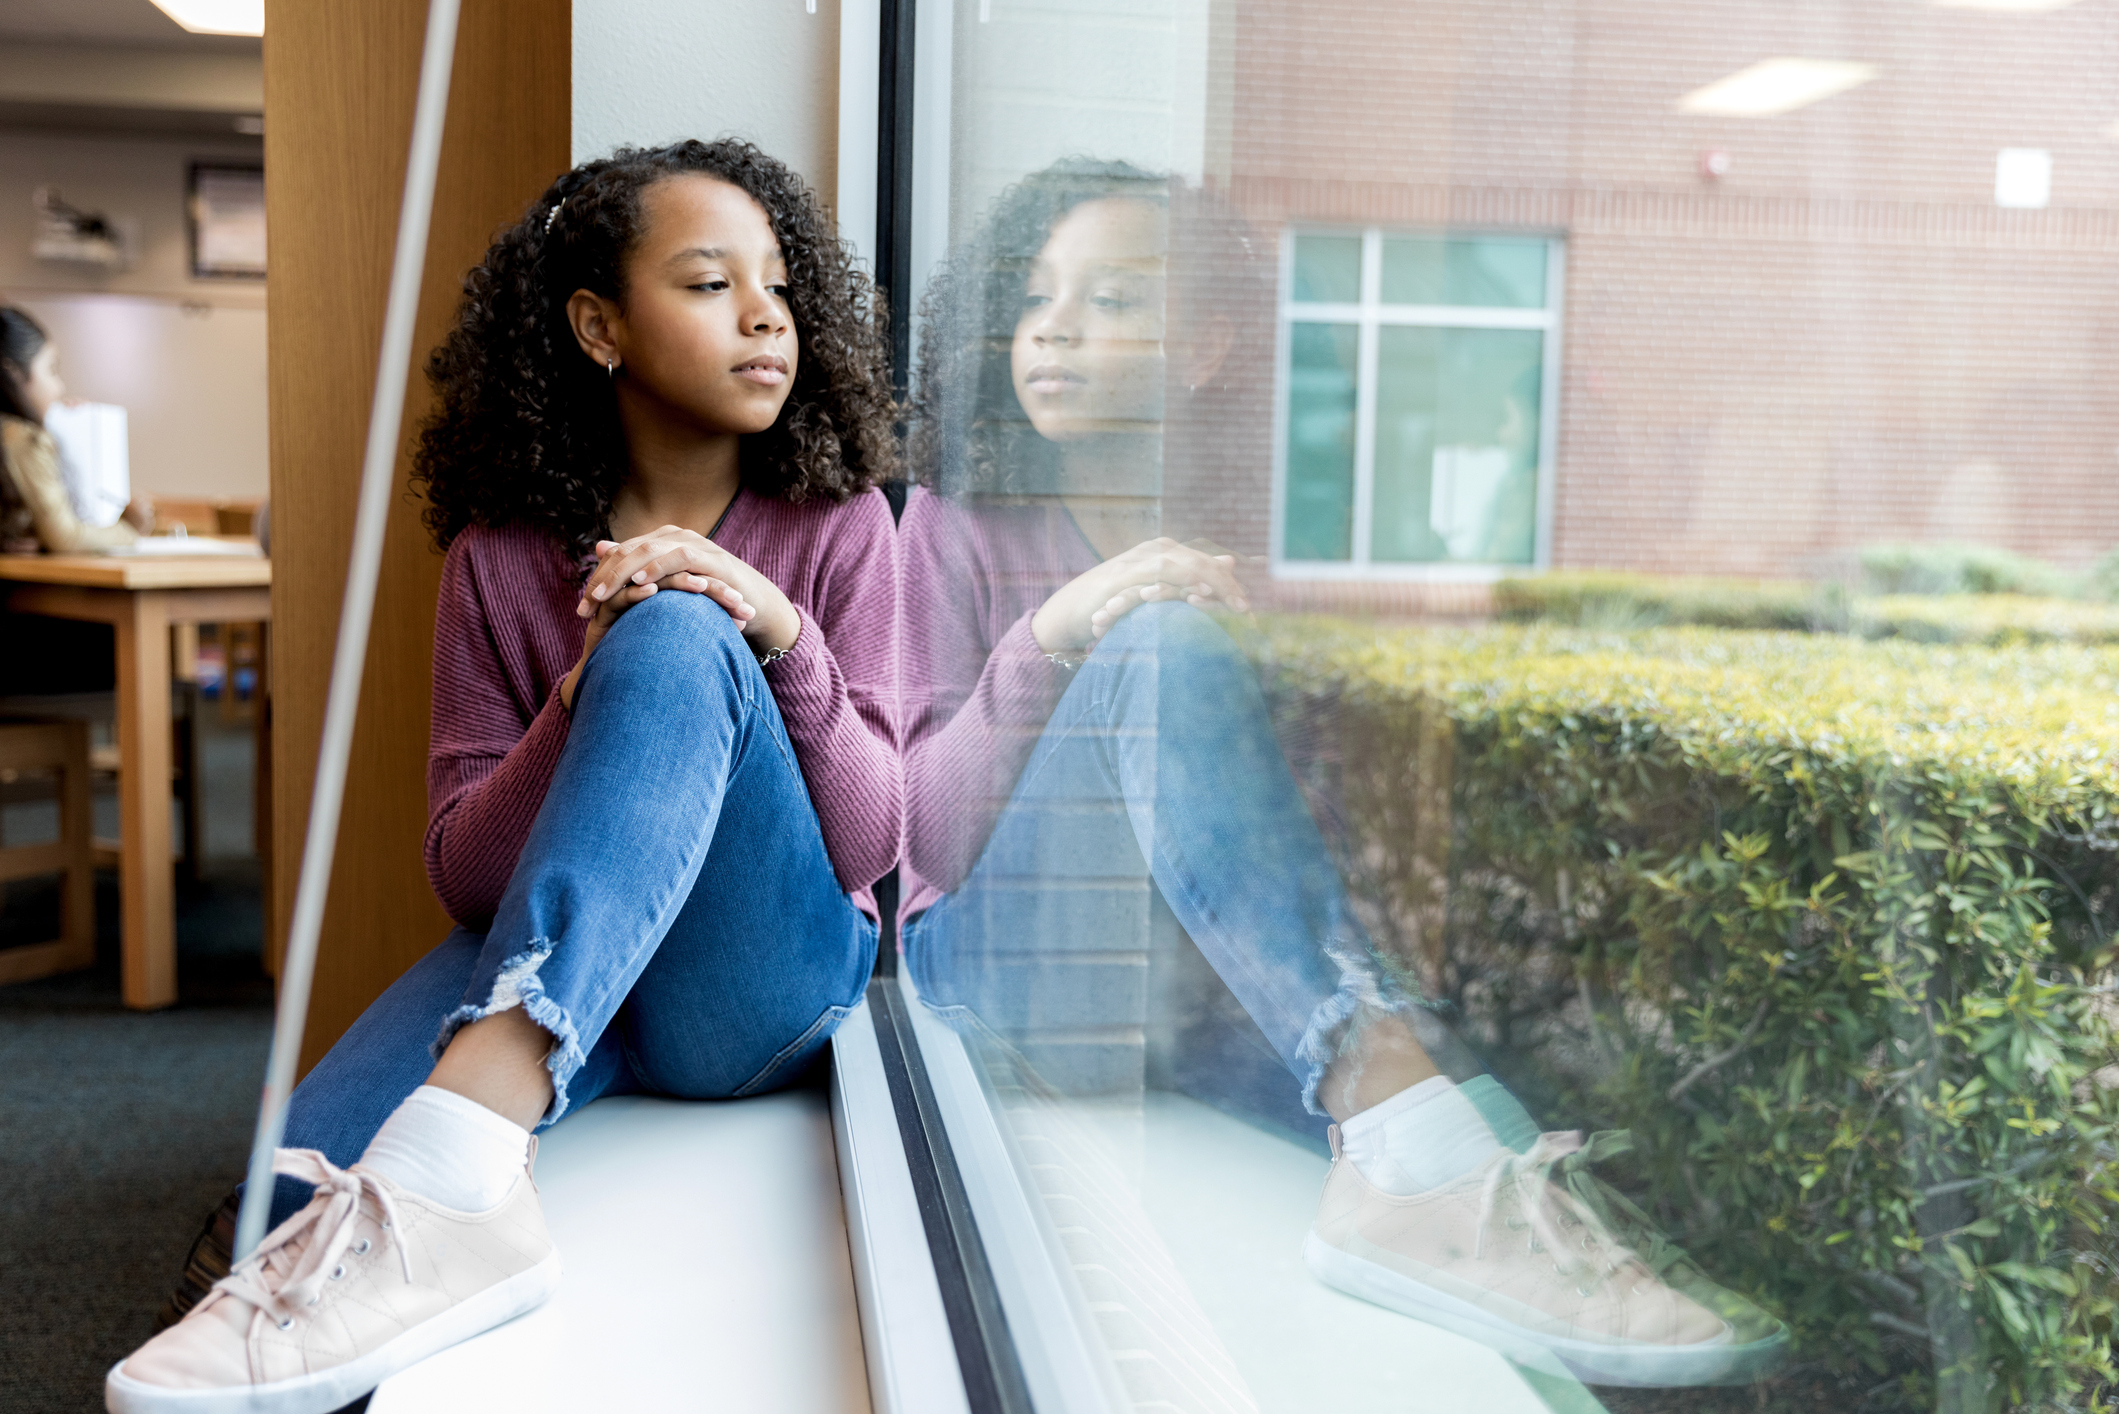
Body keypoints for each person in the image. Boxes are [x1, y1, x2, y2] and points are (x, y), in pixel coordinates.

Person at [898, 160, 1780, 1388]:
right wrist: (1065, 627)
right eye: (1037, 296)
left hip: (1190, 979)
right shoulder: (955, 525)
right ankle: (1418, 1167)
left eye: (1111, 299)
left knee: (1469, 1095)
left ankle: (1490, 1208)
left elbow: (1281, 853)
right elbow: (921, 844)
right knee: (1157, 637)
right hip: (1006, 971)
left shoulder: (1246, 535)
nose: (1051, 329)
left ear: (1204, 345)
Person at [106, 139, 902, 1414]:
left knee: (680, 621)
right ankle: (432, 1197)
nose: (765, 316)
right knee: (282, 1205)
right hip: (580, 967)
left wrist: (772, 631)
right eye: (709, 285)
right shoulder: (497, 557)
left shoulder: (839, 525)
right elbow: (468, 872)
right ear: (599, 326)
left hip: (758, 992)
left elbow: (869, 845)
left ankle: (460, 1168)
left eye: (780, 289)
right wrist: (578, 699)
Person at [0, 306, 152, 553]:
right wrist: (127, 529)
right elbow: (67, 539)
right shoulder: (21, 438)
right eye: (51, 370)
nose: (59, 388)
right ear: (13, 374)